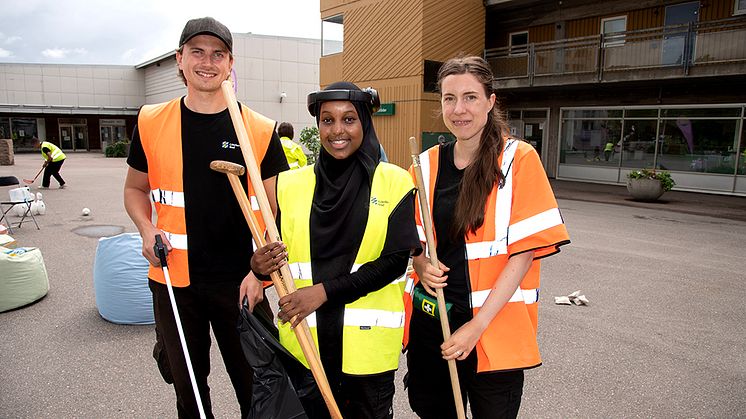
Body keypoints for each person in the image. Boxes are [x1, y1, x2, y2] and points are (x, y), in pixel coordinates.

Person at [123, 17, 289, 418]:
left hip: (241, 284)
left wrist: (260, 277)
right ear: (180, 60)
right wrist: (147, 231)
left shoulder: (260, 130)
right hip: (173, 281)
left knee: (260, 389)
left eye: (218, 54)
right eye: (197, 51)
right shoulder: (150, 121)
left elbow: (277, 214)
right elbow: (134, 190)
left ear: (231, 64)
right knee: (190, 393)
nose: (207, 61)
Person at [404, 56, 570, 419]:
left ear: (490, 101)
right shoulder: (427, 164)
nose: (458, 109)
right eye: (449, 98)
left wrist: (475, 328)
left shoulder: (517, 160)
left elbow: (524, 253)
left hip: (491, 328)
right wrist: (420, 262)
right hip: (436, 325)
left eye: (470, 97)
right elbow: (415, 239)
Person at [250, 82, 420, 418]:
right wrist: (257, 266)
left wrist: (323, 293)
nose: (337, 130)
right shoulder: (290, 185)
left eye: (348, 119)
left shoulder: (395, 182)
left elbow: (394, 262)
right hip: (305, 345)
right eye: (327, 121)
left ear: (365, 123)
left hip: (366, 354)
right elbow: (280, 254)